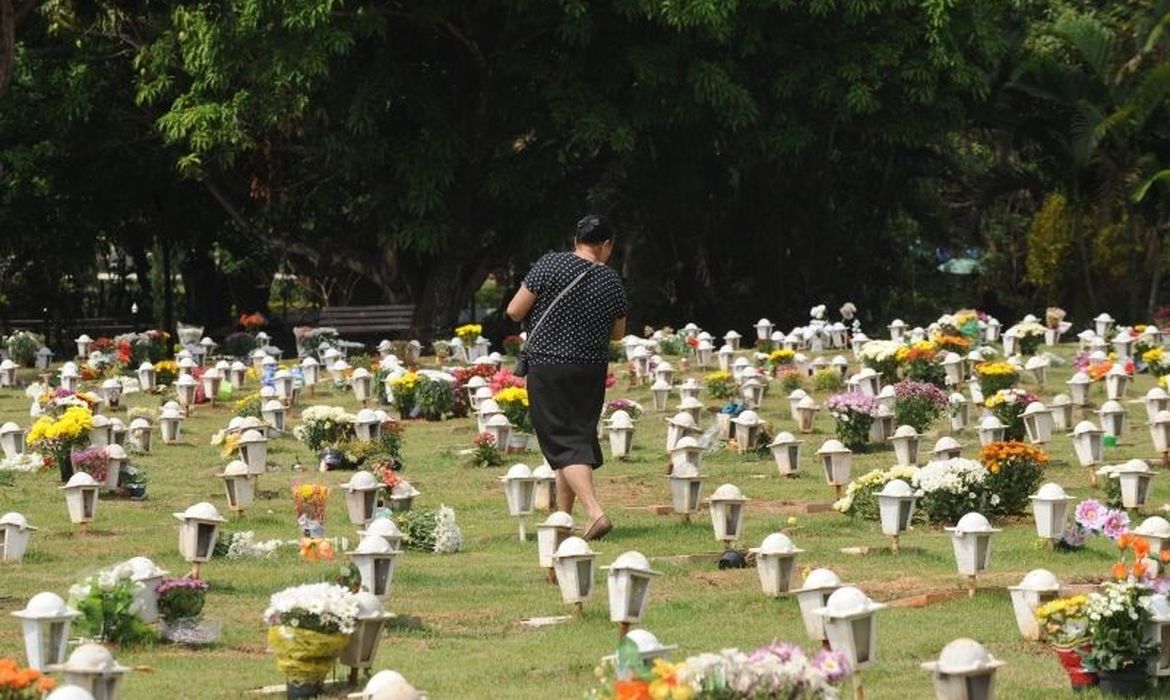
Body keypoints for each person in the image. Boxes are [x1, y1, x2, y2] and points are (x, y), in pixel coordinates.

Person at [505, 214, 627, 540]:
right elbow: (618, 333)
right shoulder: (612, 280)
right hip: (589, 370)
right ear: (605, 245)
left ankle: (595, 512)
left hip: (549, 366)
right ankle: (563, 517)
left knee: (564, 443)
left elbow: (514, 311)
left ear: (576, 240)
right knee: (574, 438)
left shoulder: (550, 264)